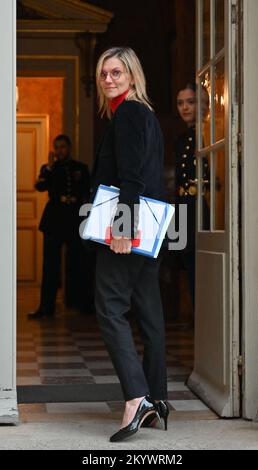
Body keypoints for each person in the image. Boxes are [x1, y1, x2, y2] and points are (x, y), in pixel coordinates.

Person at [89, 47, 169, 442]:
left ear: (132, 76)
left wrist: (122, 229)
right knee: (150, 315)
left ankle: (137, 399)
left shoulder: (129, 114)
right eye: (103, 73)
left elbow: (133, 178)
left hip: (130, 230)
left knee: (109, 308)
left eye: (116, 72)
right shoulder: (145, 116)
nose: (108, 80)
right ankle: (158, 399)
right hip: (150, 231)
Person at [28, 134, 91, 320]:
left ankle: (82, 303)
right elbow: (40, 186)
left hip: (74, 219)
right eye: (57, 147)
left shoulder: (81, 168)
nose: (60, 151)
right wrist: (48, 168)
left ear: (69, 147)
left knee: (78, 263)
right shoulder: (49, 169)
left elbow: (87, 192)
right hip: (54, 220)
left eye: (63, 147)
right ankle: (46, 307)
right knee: (50, 266)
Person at [174, 83, 210, 309]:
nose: (184, 108)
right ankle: (197, 317)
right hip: (184, 206)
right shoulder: (182, 138)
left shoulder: (208, 132)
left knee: (202, 265)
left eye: (190, 102)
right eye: (180, 103)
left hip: (203, 205)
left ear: (204, 105)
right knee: (187, 262)